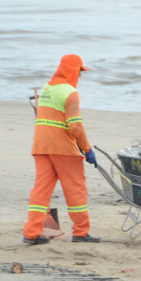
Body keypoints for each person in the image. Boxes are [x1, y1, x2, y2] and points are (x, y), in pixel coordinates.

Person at [23, 54, 99, 245]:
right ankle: (81, 232)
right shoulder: (70, 92)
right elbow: (75, 126)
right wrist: (87, 148)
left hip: (41, 146)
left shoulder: (47, 88)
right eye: (80, 72)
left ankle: (31, 233)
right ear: (74, 71)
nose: (80, 76)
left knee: (41, 190)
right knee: (76, 190)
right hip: (63, 148)